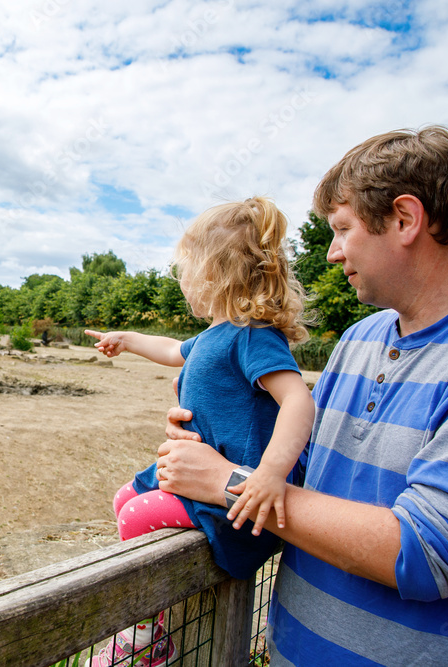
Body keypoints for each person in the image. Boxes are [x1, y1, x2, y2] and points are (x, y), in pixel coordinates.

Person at [155, 125, 448, 665]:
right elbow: (301, 469)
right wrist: (217, 428)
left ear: (405, 219)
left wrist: (225, 482)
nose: (331, 253)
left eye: (342, 229)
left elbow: (428, 554)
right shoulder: (360, 339)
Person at [82, 196, 316, 667]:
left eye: (184, 267)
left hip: (229, 490)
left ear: (214, 273)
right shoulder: (215, 334)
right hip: (196, 471)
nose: (181, 279)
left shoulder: (252, 335)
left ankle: (147, 639)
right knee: (122, 498)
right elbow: (172, 351)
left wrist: (268, 474)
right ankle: (159, 617)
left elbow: (298, 400)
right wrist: (126, 341)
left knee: (134, 517)